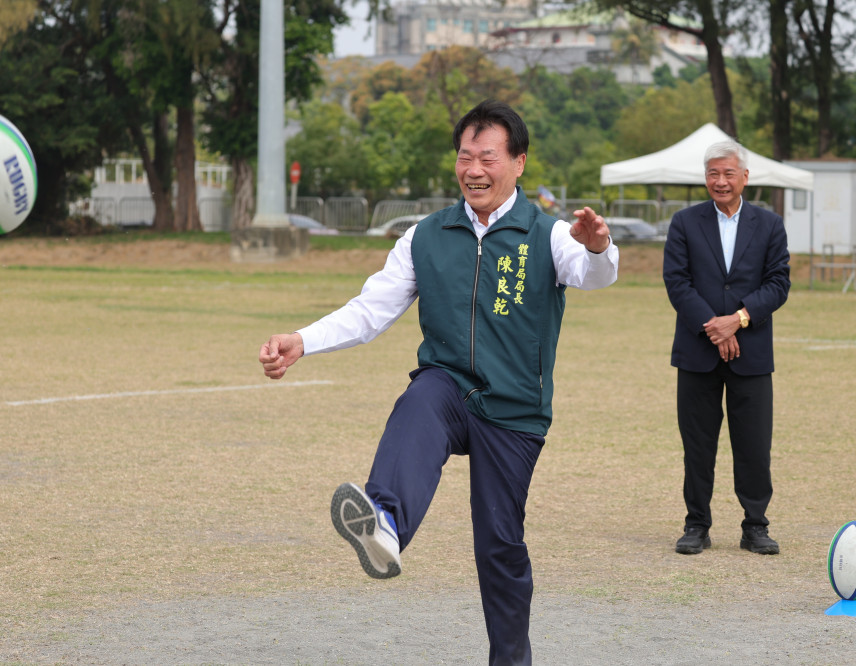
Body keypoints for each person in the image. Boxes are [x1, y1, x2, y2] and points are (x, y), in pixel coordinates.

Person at [259, 99, 618, 664]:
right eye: (464, 157)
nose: (473, 170)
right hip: (451, 388)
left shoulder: (548, 234)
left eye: (488, 158)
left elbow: (593, 273)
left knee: (499, 543)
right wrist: (302, 340)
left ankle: (511, 659)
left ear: (519, 163)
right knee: (420, 399)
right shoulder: (424, 237)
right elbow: (370, 310)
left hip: (515, 410)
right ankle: (383, 523)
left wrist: (599, 245)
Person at [663, 139, 791, 557]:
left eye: (728, 173)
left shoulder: (770, 225)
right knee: (697, 444)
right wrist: (713, 328)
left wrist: (737, 320)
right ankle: (696, 524)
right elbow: (677, 283)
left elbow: (778, 283)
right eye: (713, 174)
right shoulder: (684, 222)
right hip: (697, 353)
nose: (720, 181)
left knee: (754, 444)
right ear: (706, 178)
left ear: (745, 178)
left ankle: (755, 525)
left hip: (751, 353)